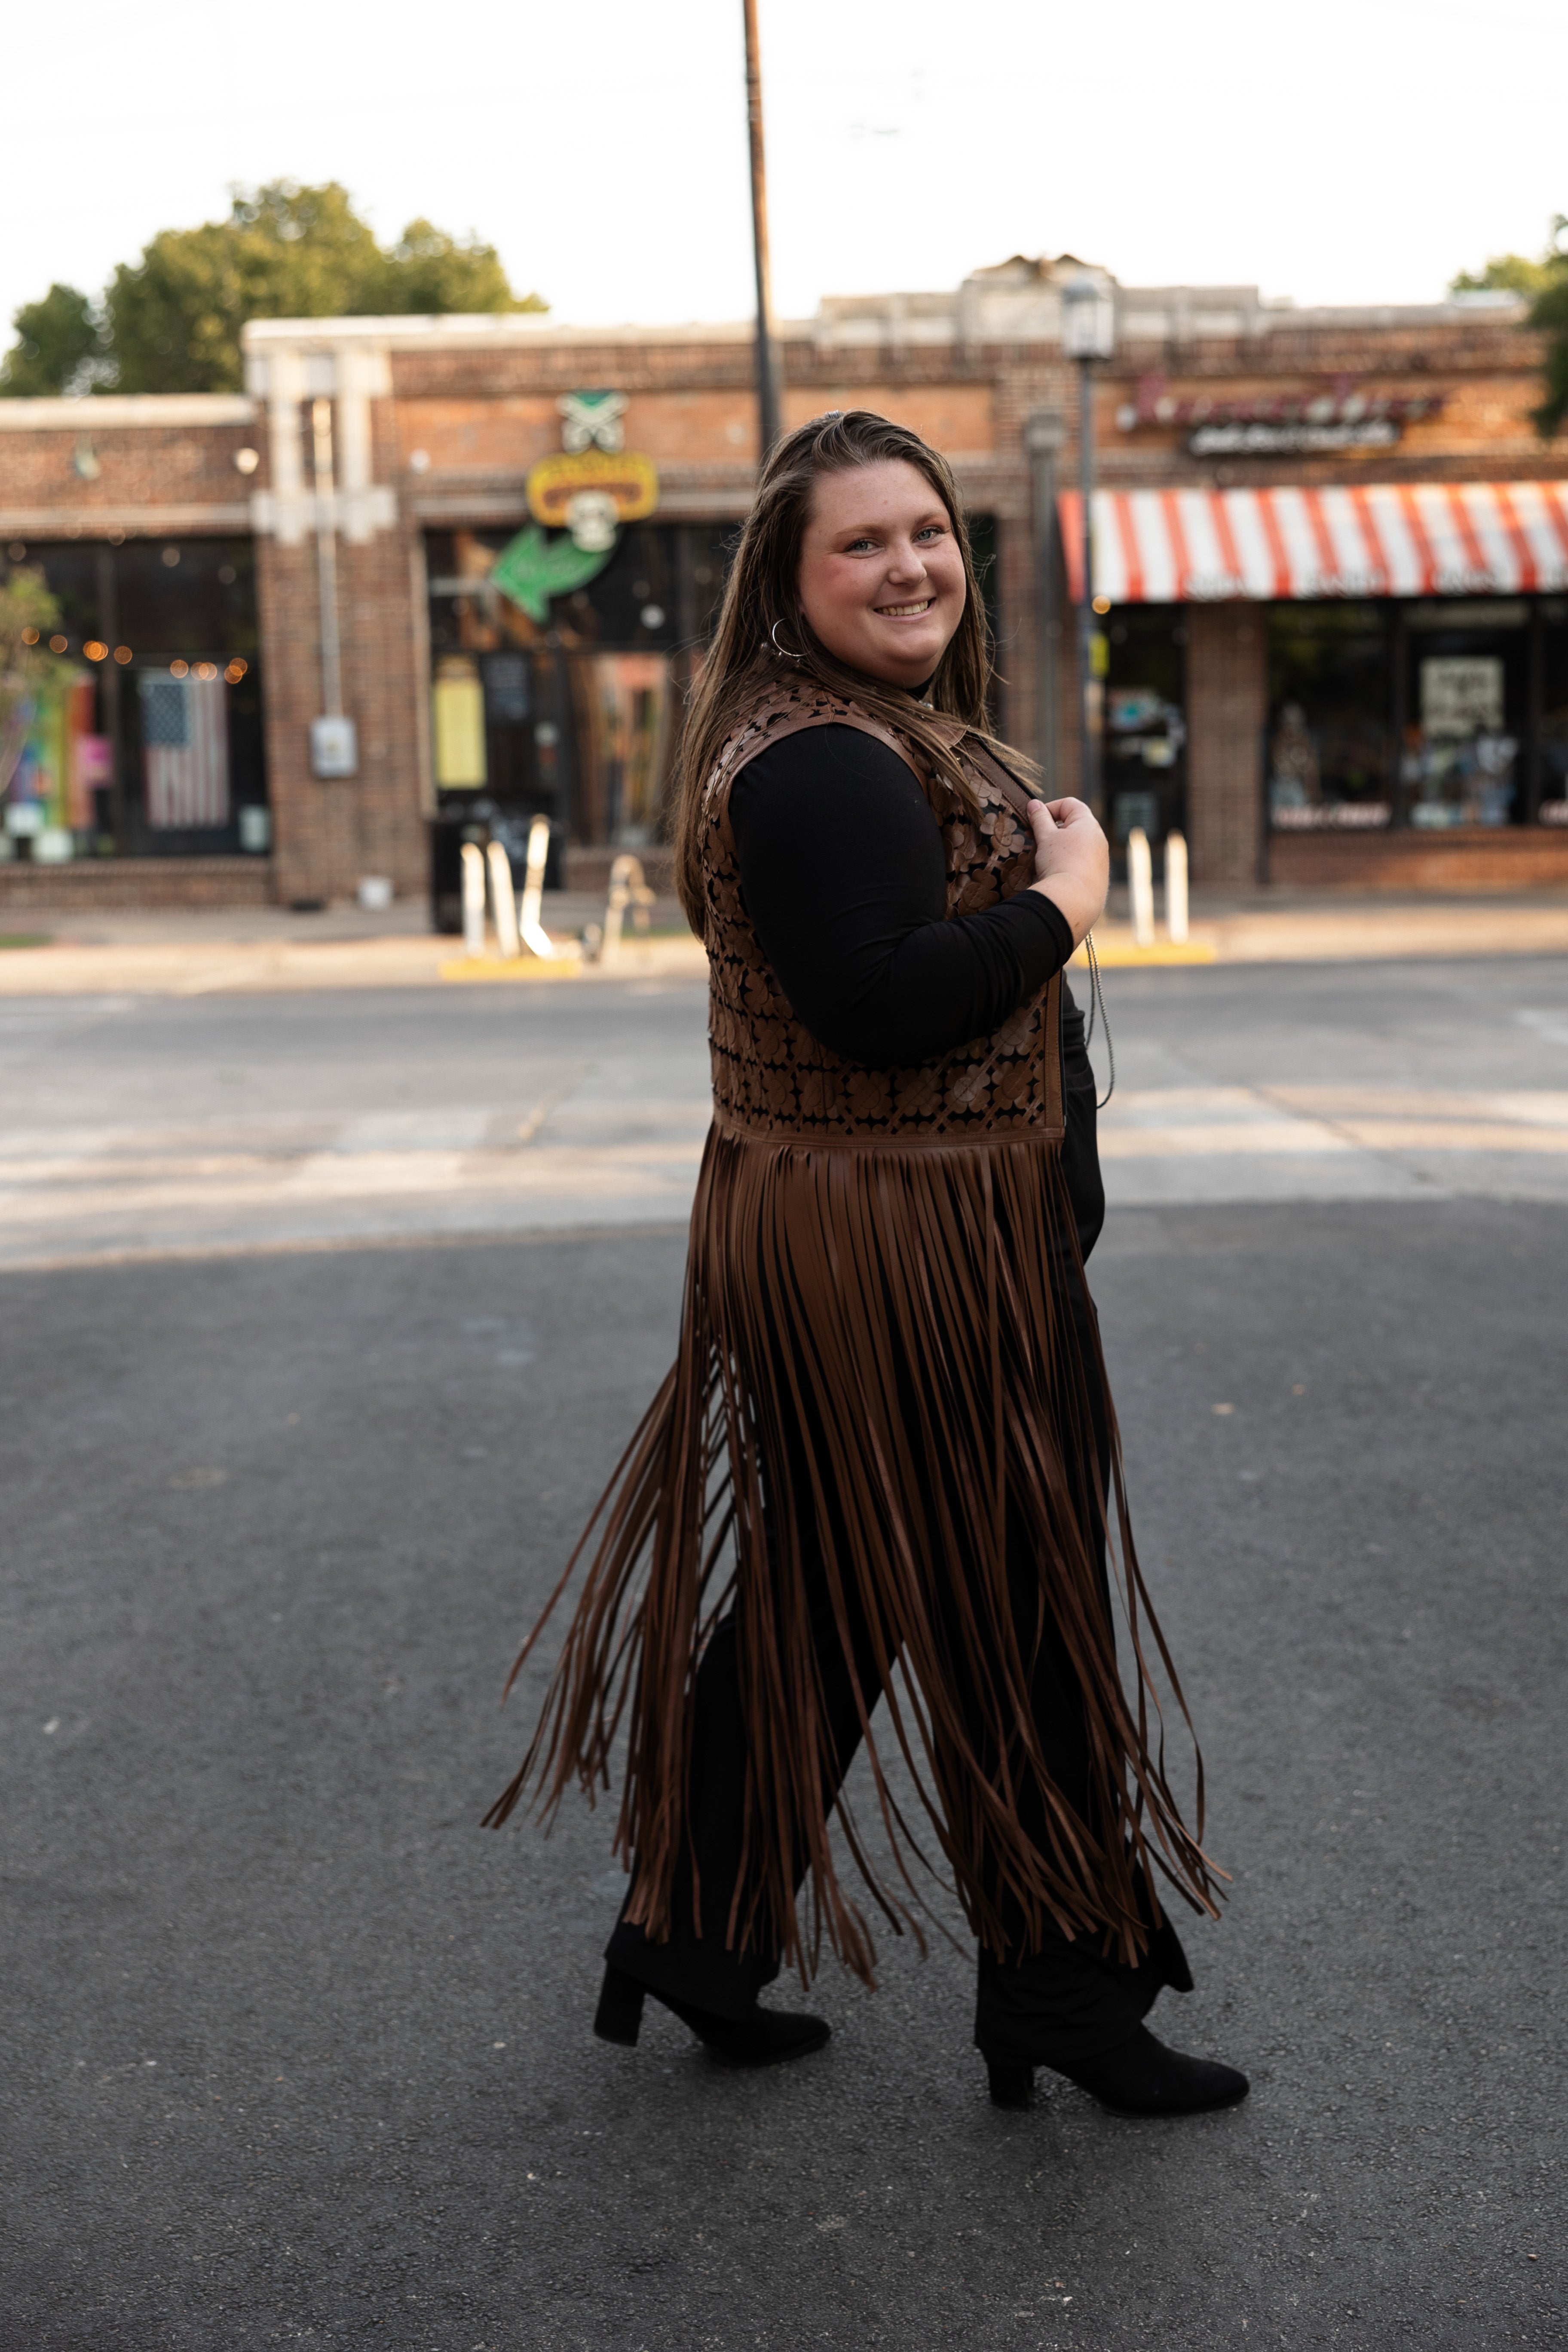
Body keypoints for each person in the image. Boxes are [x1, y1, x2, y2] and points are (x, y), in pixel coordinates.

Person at [488, 410, 1246, 2119]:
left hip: (878, 1242)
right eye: (863, 542)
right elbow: (884, 1006)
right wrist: (1069, 898)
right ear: (788, 574)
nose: (910, 564)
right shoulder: (822, 758)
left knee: (834, 1602)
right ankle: (1063, 1987)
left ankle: (693, 1933)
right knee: (1019, 1609)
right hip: (907, 1258)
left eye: (929, 531)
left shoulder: (845, 730)